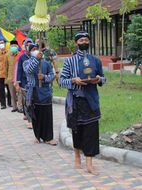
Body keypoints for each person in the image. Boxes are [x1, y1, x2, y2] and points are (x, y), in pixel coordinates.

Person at [59, 31, 106, 175]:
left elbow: (103, 78)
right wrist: (73, 80)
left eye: (86, 40)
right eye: (81, 40)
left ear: (89, 42)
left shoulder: (95, 60)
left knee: (91, 132)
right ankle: (77, 156)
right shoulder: (69, 61)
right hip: (76, 101)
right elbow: (61, 81)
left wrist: (99, 80)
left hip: (91, 100)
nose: (84, 42)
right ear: (76, 43)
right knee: (77, 130)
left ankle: (90, 163)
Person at [23, 44, 57, 146]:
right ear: (30, 52)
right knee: (36, 115)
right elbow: (29, 70)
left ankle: (48, 137)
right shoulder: (26, 63)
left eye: (37, 49)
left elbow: (52, 75)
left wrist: (45, 78)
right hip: (33, 92)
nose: (36, 51)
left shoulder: (46, 63)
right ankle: (37, 136)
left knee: (47, 115)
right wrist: (36, 60)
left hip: (45, 92)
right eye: (33, 50)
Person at [16, 38, 33, 128]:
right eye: (27, 44)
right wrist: (18, 83)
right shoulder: (22, 57)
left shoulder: (35, 56)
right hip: (24, 82)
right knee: (27, 102)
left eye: (31, 44)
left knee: (33, 101)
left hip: (34, 83)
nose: (29, 46)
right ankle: (29, 120)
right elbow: (19, 70)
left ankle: (34, 118)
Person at [0, 40, 11, 109]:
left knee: (9, 89)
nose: (1, 44)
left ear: (5, 44)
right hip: (0, 74)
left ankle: (10, 103)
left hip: (8, 74)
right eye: (0, 43)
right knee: (1, 90)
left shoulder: (9, 52)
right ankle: (3, 104)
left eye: (2, 43)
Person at [5, 40, 19, 112]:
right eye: (12, 46)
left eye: (15, 46)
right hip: (10, 77)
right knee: (12, 93)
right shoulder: (7, 55)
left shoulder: (19, 55)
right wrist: (6, 78)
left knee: (19, 93)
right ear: (10, 47)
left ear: (17, 46)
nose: (14, 47)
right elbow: (6, 67)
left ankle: (20, 107)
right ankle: (14, 107)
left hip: (18, 76)